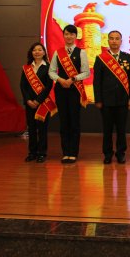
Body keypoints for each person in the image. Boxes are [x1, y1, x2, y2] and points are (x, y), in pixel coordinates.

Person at [49, 24, 90, 164]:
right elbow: (51, 71)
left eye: (72, 34)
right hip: (61, 89)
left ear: (76, 36)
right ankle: (65, 152)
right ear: (63, 35)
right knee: (64, 121)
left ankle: (73, 152)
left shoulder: (81, 52)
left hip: (75, 90)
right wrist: (60, 80)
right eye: (66, 34)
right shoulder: (58, 53)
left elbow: (86, 72)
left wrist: (73, 79)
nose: (69, 36)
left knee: (74, 121)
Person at [93, 30, 130, 164]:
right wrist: (98, 99)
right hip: (106, 101)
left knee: (121, 129)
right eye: (111, 38)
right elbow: (97, 81)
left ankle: (121, 153)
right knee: (107, 129)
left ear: (121, 41)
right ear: (108, 41)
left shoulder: (128, 57)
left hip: (122, 100)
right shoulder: (101, 58)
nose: (114, 41)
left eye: (117, 38)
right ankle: (108, 154)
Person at [20, 42, 55, 163]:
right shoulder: (27, 68)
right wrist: (28, 100)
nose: (37, 52)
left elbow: (48, 86)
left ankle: (42, 153)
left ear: (44, 52)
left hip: (42, 103)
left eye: (40, 50)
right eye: (34, 50)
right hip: (29, 103)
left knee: (42, 129)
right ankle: (32, 153)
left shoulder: (48, 67)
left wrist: (38, 100)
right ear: (31, 53)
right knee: (31, 128)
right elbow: (23, 86)